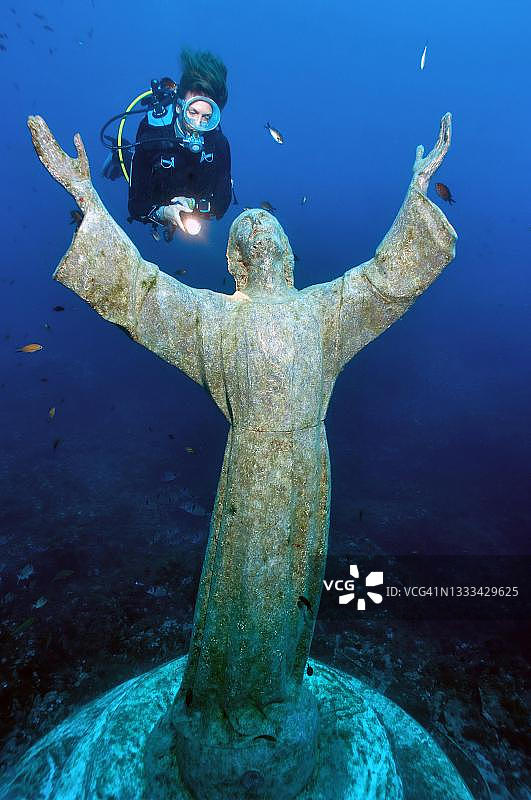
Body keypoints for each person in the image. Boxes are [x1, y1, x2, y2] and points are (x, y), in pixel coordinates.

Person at [127, 49, 232, 240]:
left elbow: (222, 202)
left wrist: (192, 204)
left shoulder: (218, 144)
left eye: (206, 117)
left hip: (192, 198)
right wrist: (163, 213)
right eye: (192, 113)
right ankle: (122, 159)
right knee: (129, 161)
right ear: (179, 107)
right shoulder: (153, 134)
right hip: (158, 194)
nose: (198, 124)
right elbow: (136, 206)